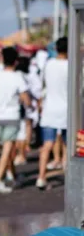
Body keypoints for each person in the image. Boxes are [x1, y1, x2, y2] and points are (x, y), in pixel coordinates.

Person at [0, 47, 31, 194]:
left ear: (2, 59)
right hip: (12, 116)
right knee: (7, 147)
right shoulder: (17, 77)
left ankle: (13, 175)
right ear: (16, 61)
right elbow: (25, 99)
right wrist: (29, 105)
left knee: (7, 146)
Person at [36, 37, 69, 190]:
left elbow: (43, 84)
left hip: (50, 109)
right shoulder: (72, 65)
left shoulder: (48, 65)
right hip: (67, 109)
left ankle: (41, 177)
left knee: (47, 145)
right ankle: (69, 175)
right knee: (69, 146)